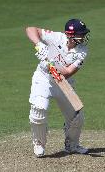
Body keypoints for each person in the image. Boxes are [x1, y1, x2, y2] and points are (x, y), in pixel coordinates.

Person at [25, 19, 91, 157]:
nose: (83, 37)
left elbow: (67, 73)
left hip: (63, 81)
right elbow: (30, 29)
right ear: (70, 35)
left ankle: (72, 145)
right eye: (80, 34)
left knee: (77, 116)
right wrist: (39, 46)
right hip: (44, 79)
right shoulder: (56, 37)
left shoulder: (82, 50)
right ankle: (38, 143)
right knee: (39, 109)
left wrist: (52, 62)